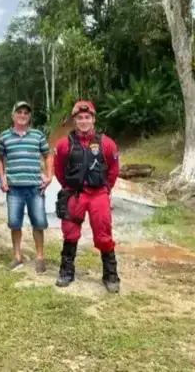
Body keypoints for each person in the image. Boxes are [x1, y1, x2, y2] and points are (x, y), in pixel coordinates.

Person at [53, 100, 121, 293]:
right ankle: (66, 271)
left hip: (98, 194)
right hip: (75, 194)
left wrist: (106, 189)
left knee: (103, 234)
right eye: (80, 118)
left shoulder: (106, 144)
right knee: (70, 232)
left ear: (93, 119)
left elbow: (113, 170)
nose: (83, 121)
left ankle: (110, 274)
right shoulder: (64, 145)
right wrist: (68, 187)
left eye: (87, 117)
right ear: (74, 120)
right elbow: (59, 169)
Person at [0, 101, 52, 273]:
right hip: (14, 188)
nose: (22, 115)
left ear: (29, 116)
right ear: (13, 115)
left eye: (26, 113)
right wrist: (2, 178)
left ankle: (40, 257)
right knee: (15, 223)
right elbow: (0, 159)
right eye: (19, 112)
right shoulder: (4, 136)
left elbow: (48, 155)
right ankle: (17, 256)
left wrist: (49, 176)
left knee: (39, 223)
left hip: (35, 187)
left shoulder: (38, 135)